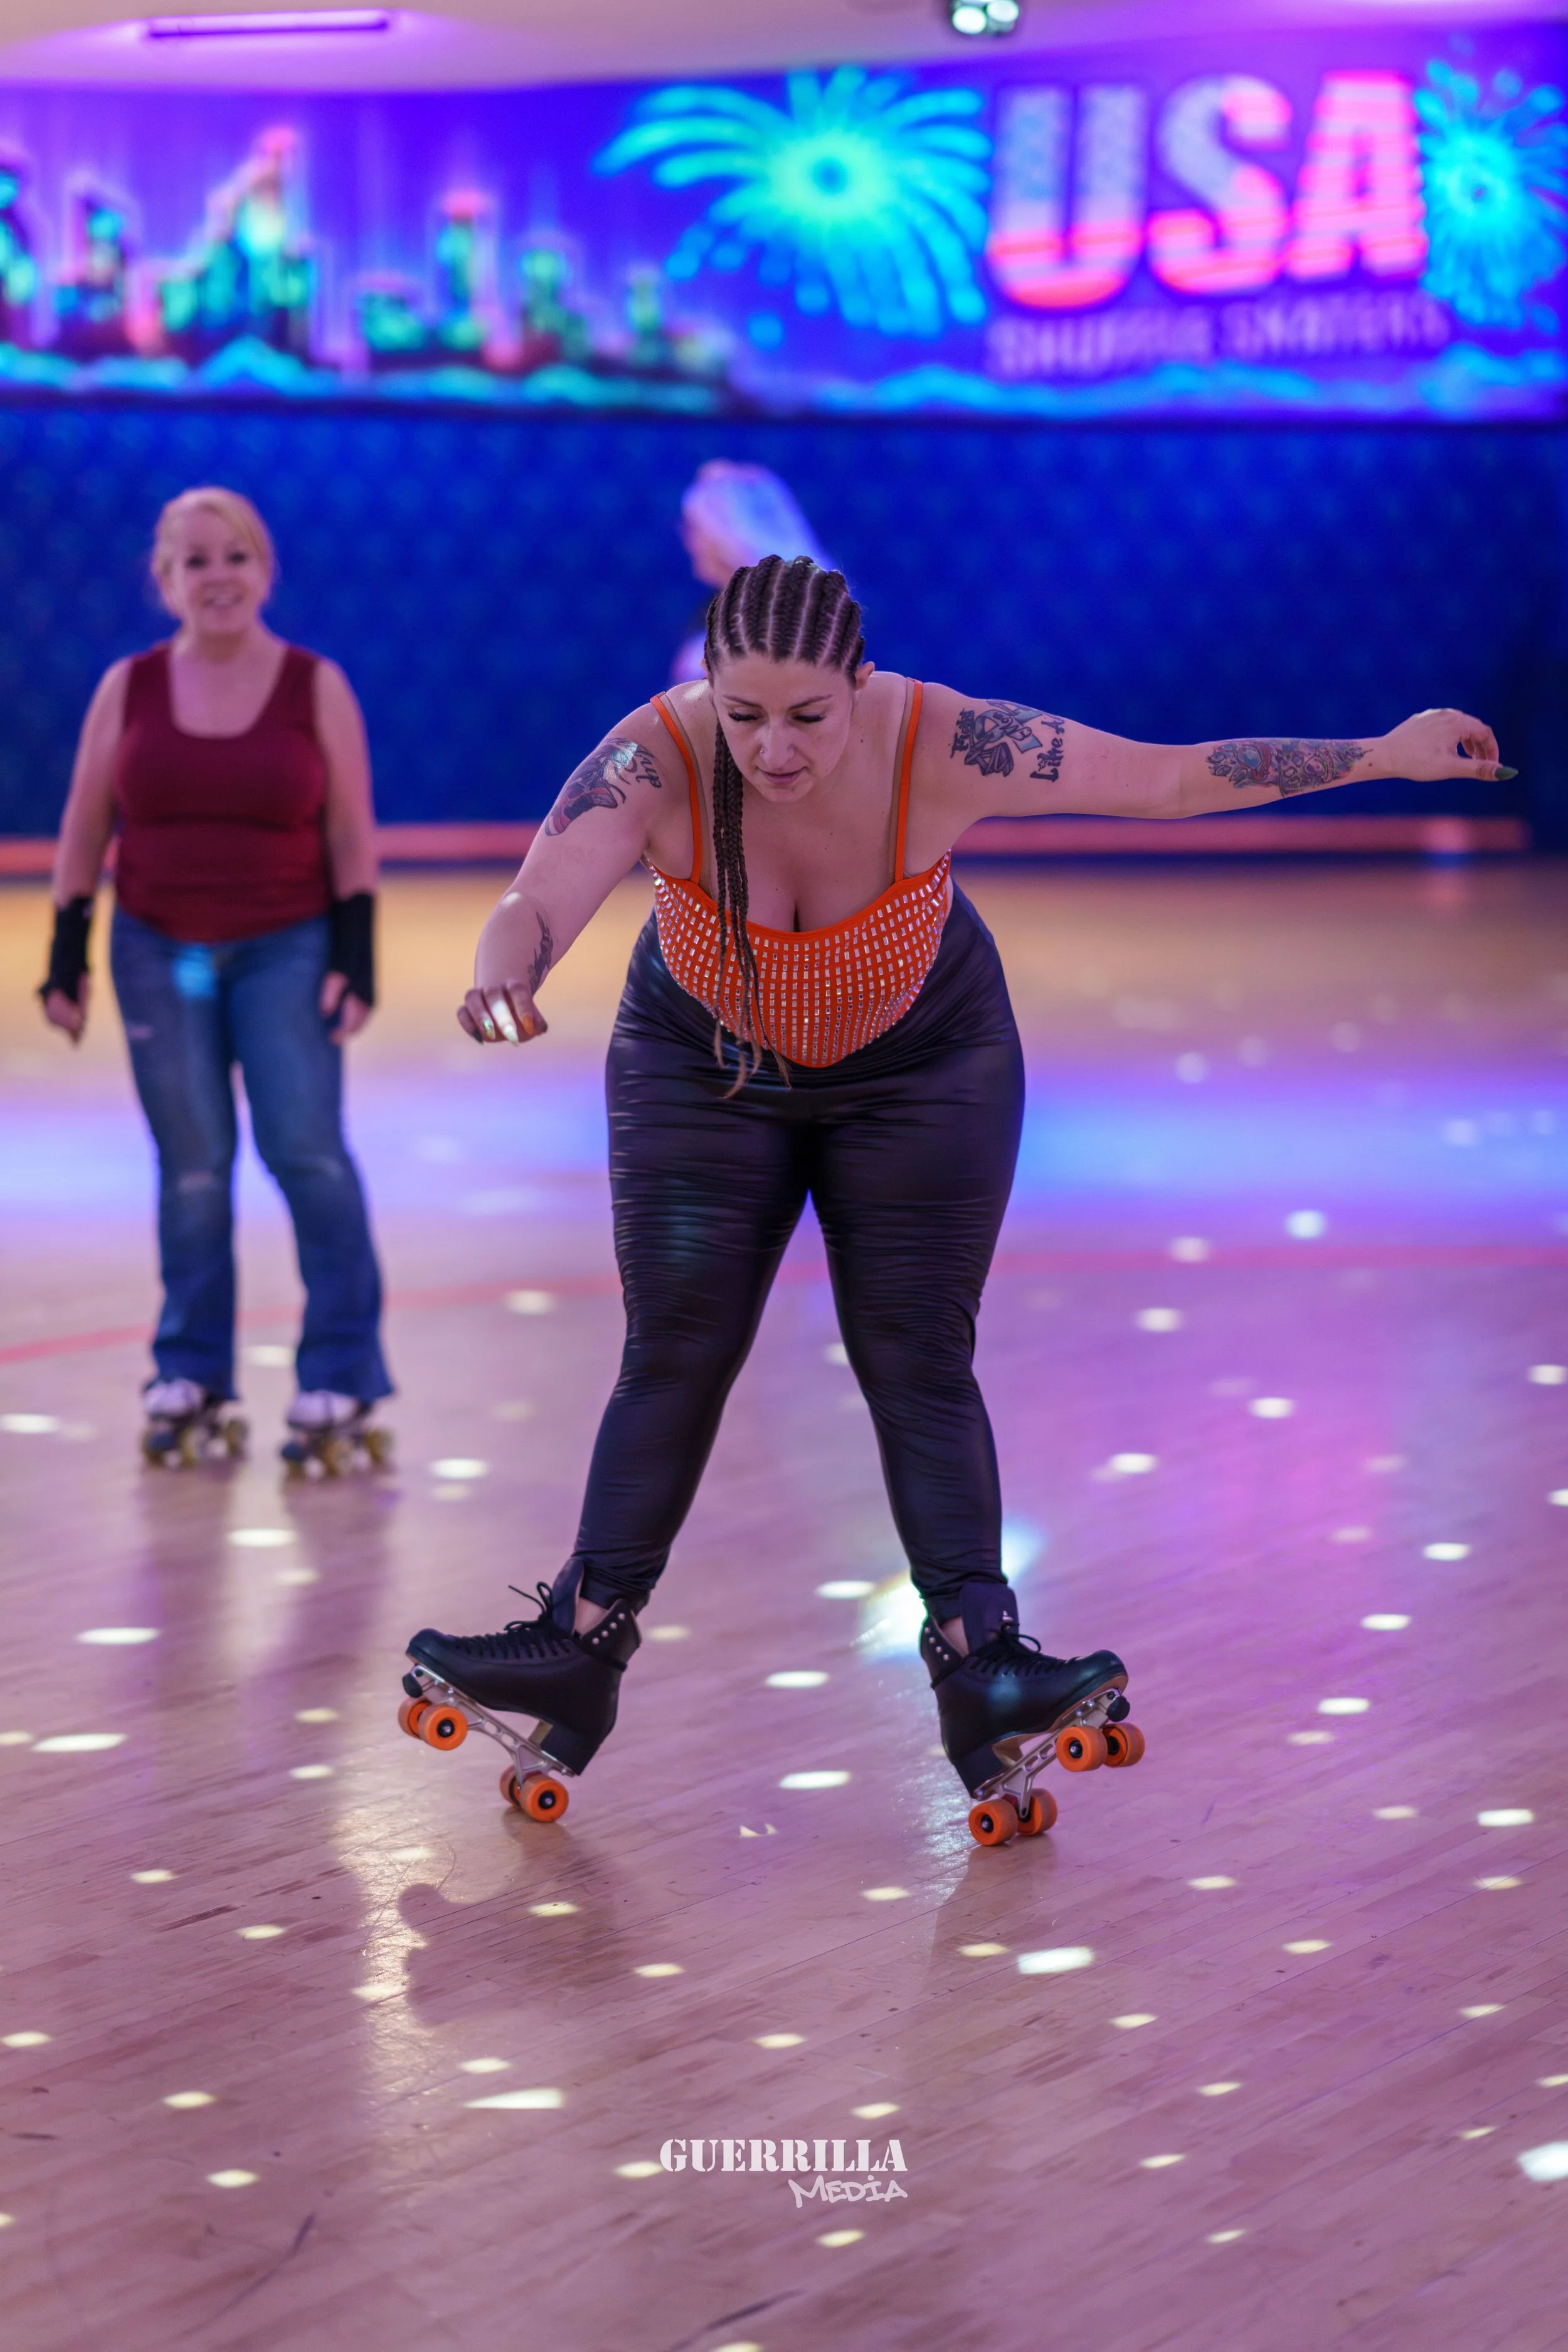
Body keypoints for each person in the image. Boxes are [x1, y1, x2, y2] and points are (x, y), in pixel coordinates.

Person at [406, 554, 1506, 1835]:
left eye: (806, 716)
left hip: (925, 1065)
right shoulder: (652, 754)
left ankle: (982, 1662)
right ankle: (576, 1645)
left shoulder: (942, 740)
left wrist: (1379, 753)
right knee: (677, 1347)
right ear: (706, 686)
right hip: (698, 1063)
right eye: (743, 712)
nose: (771, 748)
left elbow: (1160, 778)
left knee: (914, 1356)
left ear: (858, 687)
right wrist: (505, 969)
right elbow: (538, 896)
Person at [39, 485, 393, 1472]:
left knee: (306, 1153)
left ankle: (343, 1370)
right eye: (195, 561)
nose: (218, 577)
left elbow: (352, 832)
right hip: (157, 947)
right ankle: (190, 1365)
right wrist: (65, 958)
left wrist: (355, 961)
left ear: (265, 569)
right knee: (192, 1169)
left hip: (289, 944)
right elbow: (82, 825)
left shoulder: (313, 684)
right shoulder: (132, 685)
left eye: (235, 556)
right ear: (166, 581)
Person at [670, 459, 832, 683]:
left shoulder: (787, 616)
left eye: (692, 527)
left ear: (725, 533)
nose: (686, 538)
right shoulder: (714, 607)